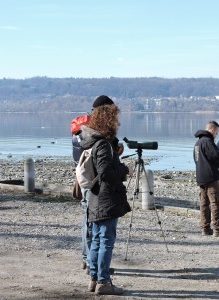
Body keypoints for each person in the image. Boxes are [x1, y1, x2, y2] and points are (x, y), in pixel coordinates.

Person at [79, 101, 131, 295]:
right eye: (116, 119)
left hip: (96, 197)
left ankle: (95, 278)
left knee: (97, 240)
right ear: (108, 120)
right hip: (105, 198)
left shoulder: (93, 141)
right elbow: (106, 172)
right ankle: (103, 281)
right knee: (105, 240)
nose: (118, 123)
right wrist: (126, 169)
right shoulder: (103, 144)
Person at [71, 95, 116, 275]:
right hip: (95, 181)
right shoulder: (95, 131)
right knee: (96, 227)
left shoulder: (82, 130)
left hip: (85, 177)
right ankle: (93, 265)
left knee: (89, 221)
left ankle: (89, 261)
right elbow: (103, 167)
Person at [193, 120, 219, 237]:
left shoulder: (198, 143)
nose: (216, 136)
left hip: (201, 176)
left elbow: (196, 159)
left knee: (204, 203)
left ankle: (205, 228)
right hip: (210, 176)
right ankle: (218, 228)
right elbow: (215, 156)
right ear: (212, 130)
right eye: (216, 133)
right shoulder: (207, 141)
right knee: (216, 203)